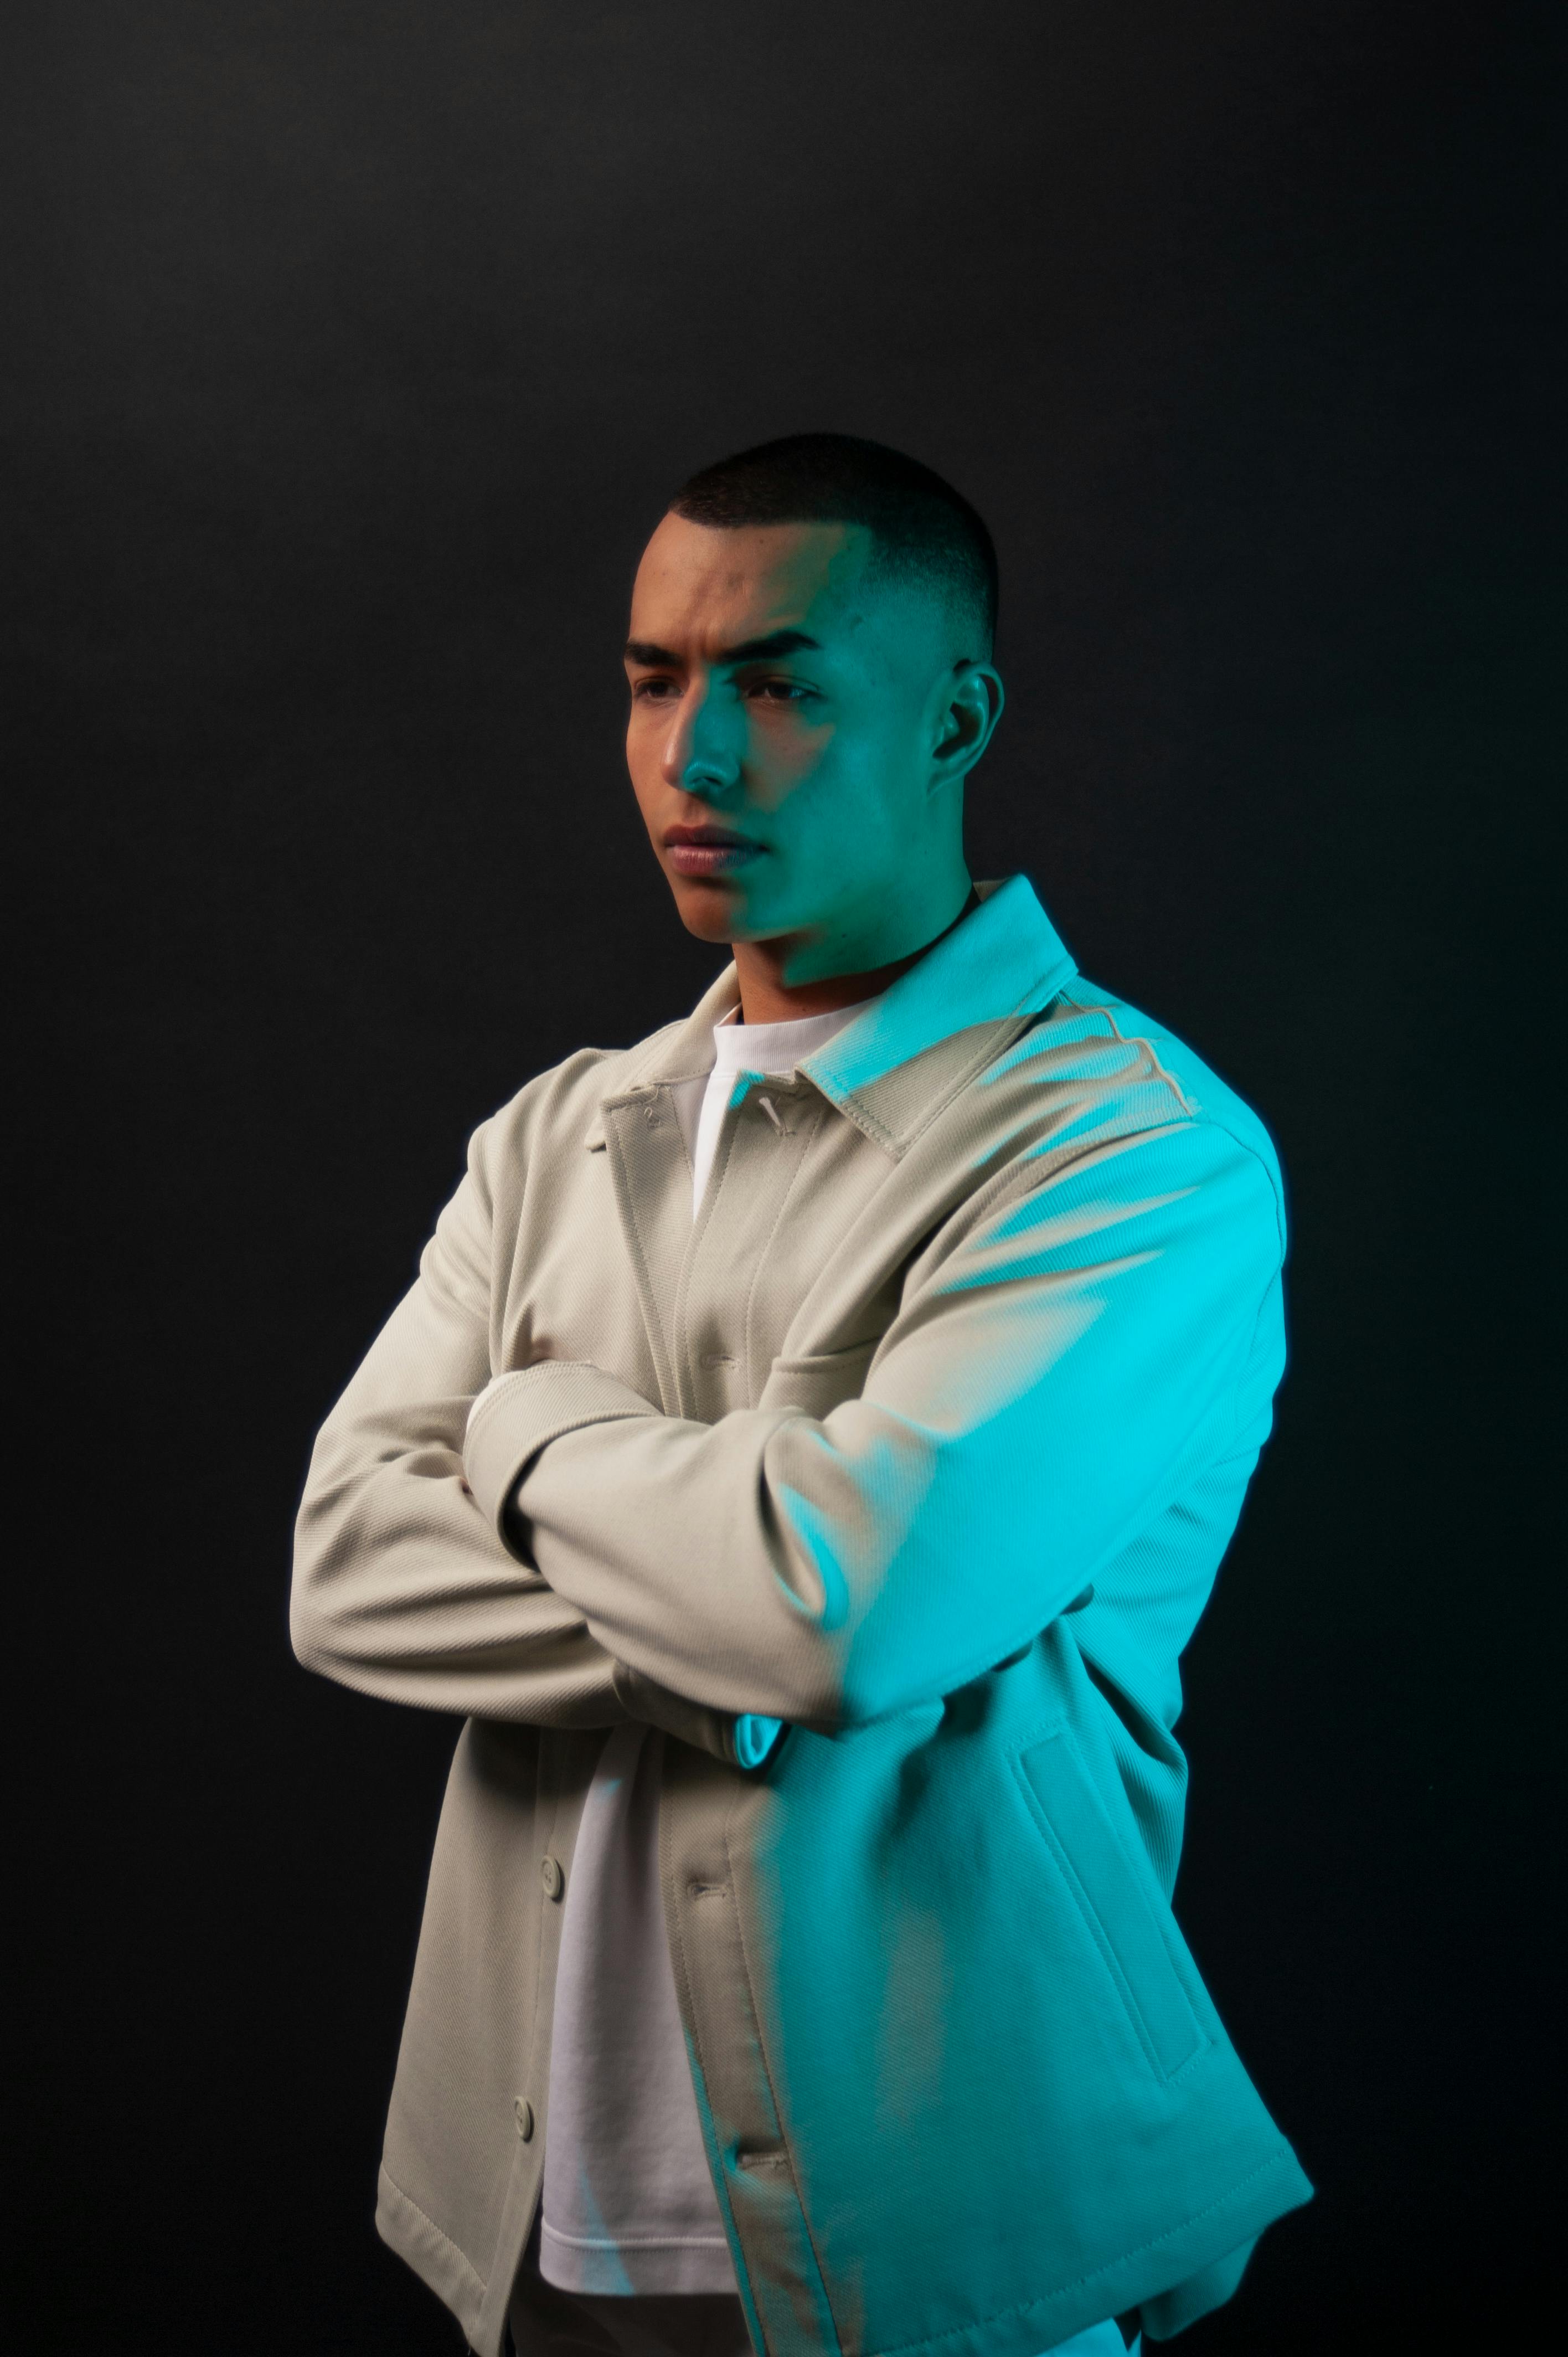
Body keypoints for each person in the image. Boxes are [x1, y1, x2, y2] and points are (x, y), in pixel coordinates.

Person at [290, 433, 1311, 2357]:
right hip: (543, 2219)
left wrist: (518, 1431)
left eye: (778, 684)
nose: (694, 757)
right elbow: (342, 1564)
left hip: (952, 2230)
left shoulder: (1132, 1152)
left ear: (956, 718)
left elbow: (853, 1612)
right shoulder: (556, 1135)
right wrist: (734, 1599)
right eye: (653, 678)